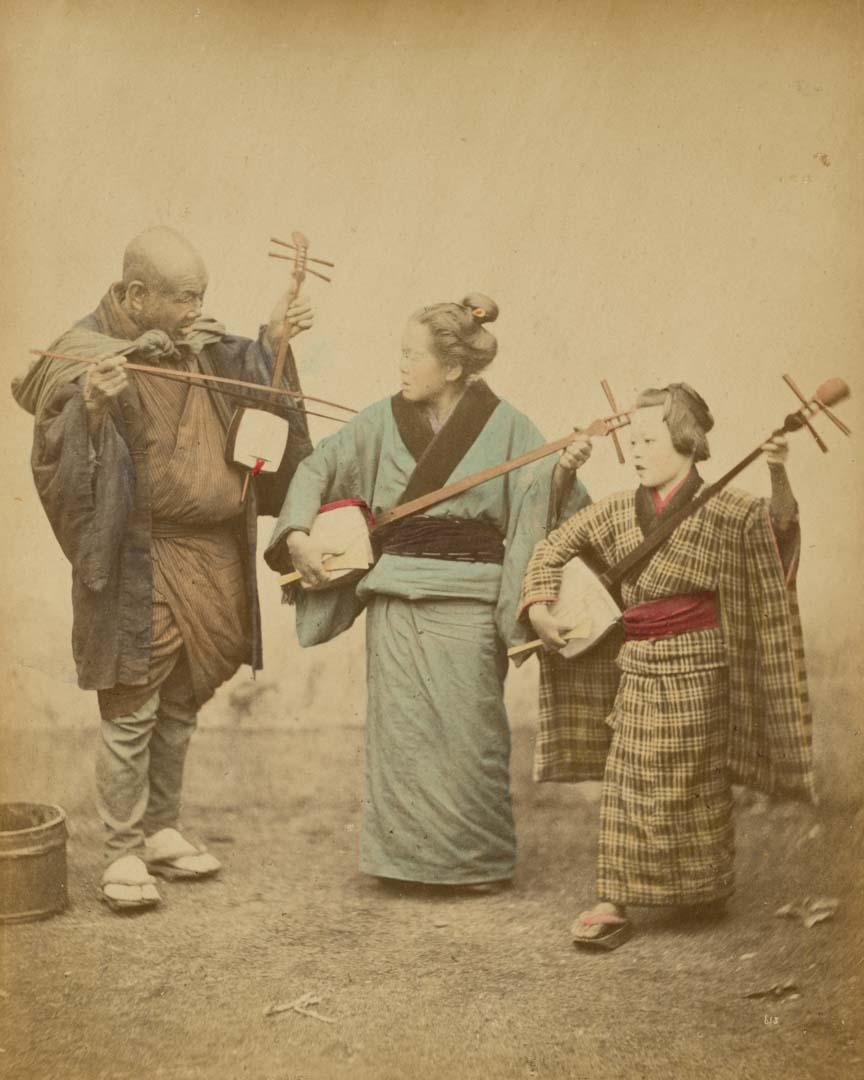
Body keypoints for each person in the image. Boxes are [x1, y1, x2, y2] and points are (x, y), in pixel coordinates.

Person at [12, 226, 315, 912]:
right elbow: (54, 432)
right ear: (136, 294)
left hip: (213, 552)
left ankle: (160, 829)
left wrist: (274, 339)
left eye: (201, 295)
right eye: (183, 298)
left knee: (182, 700)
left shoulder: (203, 347)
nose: (194, 310)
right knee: (132, 705)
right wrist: (91, 405)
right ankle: (120, 851)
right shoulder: (85, 356)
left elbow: (256, 376)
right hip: (142, 554)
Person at [265, 294, 592, 888]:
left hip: (469, 603)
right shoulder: (380, 420)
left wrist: (563, 469)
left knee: (471, 737)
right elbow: (316, 469)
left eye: (412, 355)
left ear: (454, 368)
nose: (402, 366)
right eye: (400, 353)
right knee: (403, 734)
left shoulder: (512, 426)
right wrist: (297, 536)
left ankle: (474, 862)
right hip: (395, 600)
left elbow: (542, 497)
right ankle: (404, 862)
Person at [520, 384, 814, 948]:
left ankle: (699, 888)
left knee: (694, 784)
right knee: (627, 777)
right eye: (632, 440)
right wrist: (538, 608)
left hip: (704, 666)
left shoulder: (729, 510)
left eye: (648, 439)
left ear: (686, 442)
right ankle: (613, 900)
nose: (634, 450)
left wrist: (777, 472)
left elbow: (777, 532)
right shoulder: (614, 511)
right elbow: (552, 548)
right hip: (638, 662)